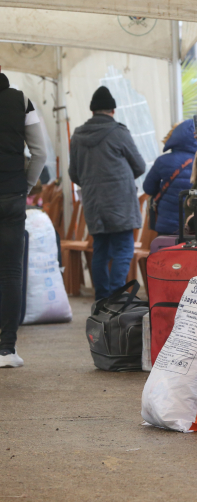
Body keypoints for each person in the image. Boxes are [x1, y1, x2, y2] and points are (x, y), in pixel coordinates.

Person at [69, 86, 145, 301]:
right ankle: (116, 296)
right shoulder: (119, 132)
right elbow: (139, 165)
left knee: (100, 249)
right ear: (113, 110)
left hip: (93, 202)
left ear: (92, 111)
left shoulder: (77, 136)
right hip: (120, 202)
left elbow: (74, 174)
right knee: (123, 248)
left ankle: (102, 298)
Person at [0, 71, 47, 368]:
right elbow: (40, 152)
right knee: (10, 272)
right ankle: (7, 350)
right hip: (12, 195)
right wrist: (25, 186)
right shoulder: (22, 100)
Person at [143, 119, 197, 235]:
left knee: (166, 253)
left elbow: (148, 188)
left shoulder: (163, 161)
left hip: (166, 226)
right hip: (193, 225)